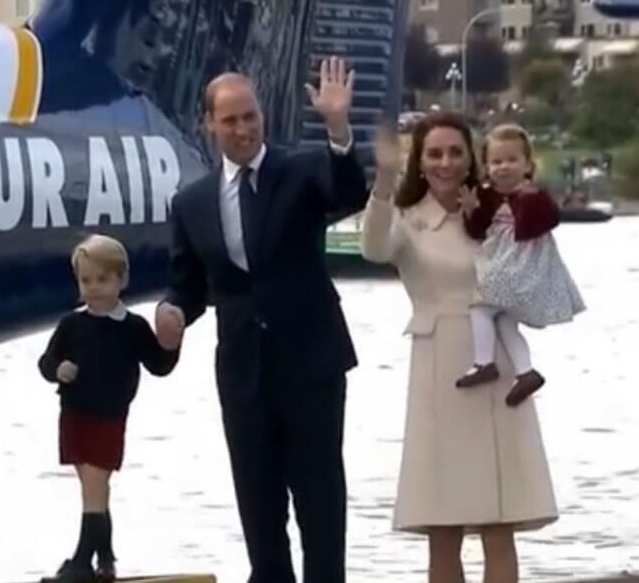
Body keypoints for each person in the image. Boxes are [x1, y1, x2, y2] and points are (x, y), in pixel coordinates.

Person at [153, 56, 367, 583]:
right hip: (243, 373)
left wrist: (338, 130)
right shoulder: (192, 202)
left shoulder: (301, 172)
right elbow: (189, 285)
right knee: (258, 505)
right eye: (230, 120)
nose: (243, 129)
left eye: (250, 116)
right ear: (209, 125)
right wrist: (172, 310)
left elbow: (347, 192)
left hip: (311, 366)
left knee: (320, 504)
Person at [361, 112, 558, 583]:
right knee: (443, 527)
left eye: (455, 152)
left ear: (472, 158)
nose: (445, 163)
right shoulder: (408, 219)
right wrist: (384, 180)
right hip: (439, 371)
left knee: (499, 522)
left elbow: (534, 260)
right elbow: (373, 248)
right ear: (419, 161)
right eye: (434, 153)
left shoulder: (496, 213)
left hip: (499, 370)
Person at [37, 234, 179, 583]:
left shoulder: (132, 327)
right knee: (93, 487)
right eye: (86, 280)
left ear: (122, 279)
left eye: (103, 279)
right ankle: (105, 559)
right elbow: (46, 361)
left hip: (109, 416)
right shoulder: (72, 324)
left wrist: (171, 343)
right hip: (75, 414)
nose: (94, 287)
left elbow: (159, 365)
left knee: (95, 485)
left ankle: (82, 561)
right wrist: (58, 369)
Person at [455, 123, 585, 406]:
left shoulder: (534, 195)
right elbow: (476, 231)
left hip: (520, 266)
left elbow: (550, 219)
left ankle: (484, 363)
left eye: (512, 160)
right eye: (497, 162)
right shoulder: (487, 196)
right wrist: (470, 210)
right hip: (502, 261)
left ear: (527, 165)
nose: (504, 167)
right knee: (505, 321)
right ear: (487, 167)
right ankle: (526, 372)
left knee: (479, 307)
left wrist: (528, 200)